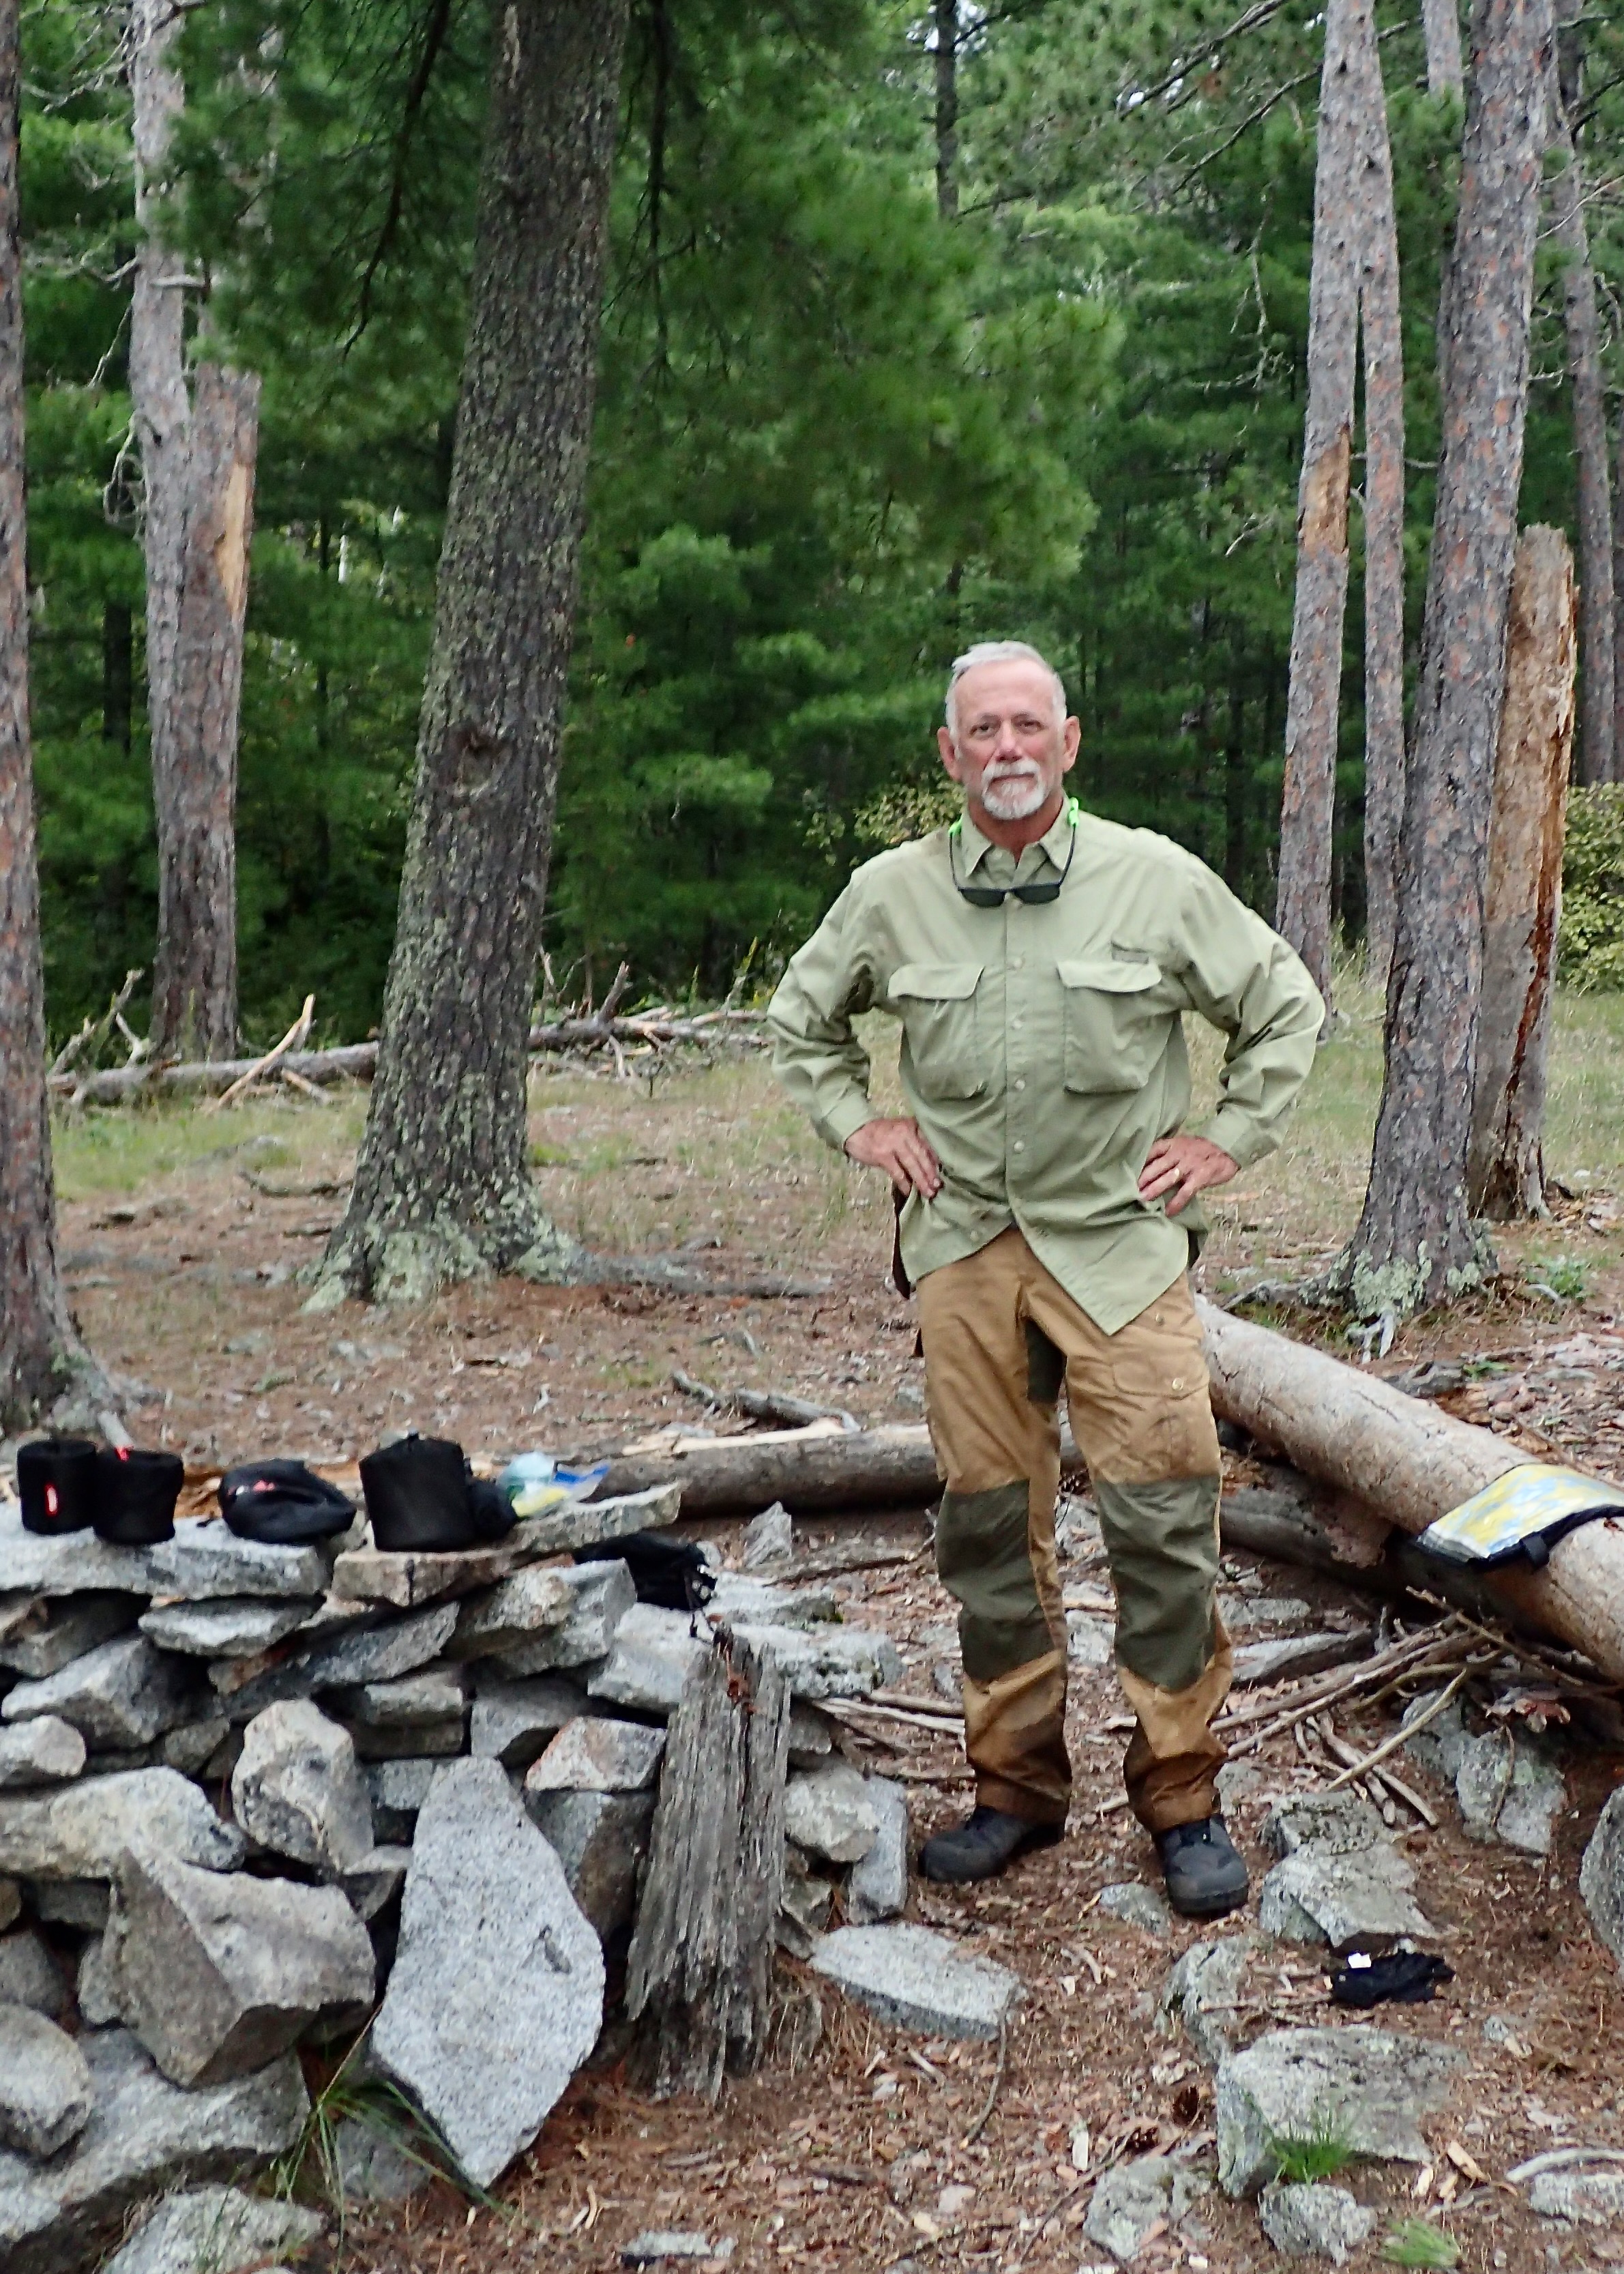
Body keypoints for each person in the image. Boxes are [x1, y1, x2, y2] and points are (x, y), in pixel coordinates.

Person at [767, 641, 1323, 1916]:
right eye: (982, 730)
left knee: (1165, 1518)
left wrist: (1223, 1139)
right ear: (949, 752)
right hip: (962, 1251)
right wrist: (865, 1125)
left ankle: (1182, 1795)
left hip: (1120, 1251)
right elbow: (801, 1026)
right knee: (985, 1527)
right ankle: (1013, 1785)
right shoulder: (889, 894)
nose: (1007, 748)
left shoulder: (1154, 879)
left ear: (1068, 744)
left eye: (1029, 726)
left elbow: (1283, 1004)